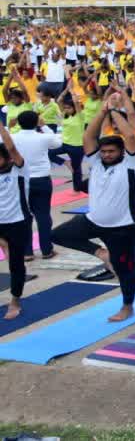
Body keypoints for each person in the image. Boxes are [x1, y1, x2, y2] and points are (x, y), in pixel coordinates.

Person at [51, 90, 135, 322]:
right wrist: (102, 110)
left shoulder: (133, 163)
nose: (106, 154)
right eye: (104, 152)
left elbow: (130, 137)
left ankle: (127, 306)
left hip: (122, 226)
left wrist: (114, 110)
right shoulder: (96, 162)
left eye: (111, 151)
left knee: (124, 269)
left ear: (121, 152)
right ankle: (101, 253)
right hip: (94, 220)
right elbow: (88, 138)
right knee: (58, 235)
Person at [11, 109, 60, 261]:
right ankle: (47, 250)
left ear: (19, 122)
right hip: (42, 179)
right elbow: (57, 142)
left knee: (24, 217)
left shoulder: (13, 137)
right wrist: (44, 126)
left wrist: (10, 127)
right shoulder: (43, 137)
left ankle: (27, 252)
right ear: (36, 122)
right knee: (43, 215)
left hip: (21, 180)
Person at [0, 124, 29, 319]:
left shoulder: (18, 170)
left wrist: (1, 128)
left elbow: (11, 148)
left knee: (16, 264)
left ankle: (15, 300)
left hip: (17, 222)